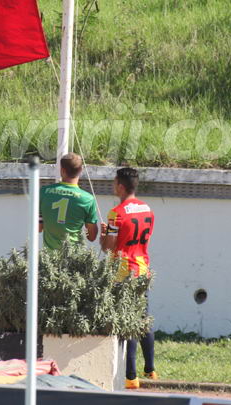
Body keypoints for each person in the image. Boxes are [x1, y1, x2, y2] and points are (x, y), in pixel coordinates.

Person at [99, 167, 157, 389]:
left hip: (123, 272)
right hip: (142, 268)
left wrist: (104, 236)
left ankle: (130, 376)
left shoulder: (117, 213)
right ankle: (150, 369)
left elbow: (108, 248)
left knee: (127, 323)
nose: (113, 186)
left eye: (114, 183)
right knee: (143, 319)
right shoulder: (147, 209)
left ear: (121, 186)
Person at [39, 152, 98, 249]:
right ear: (80, 170)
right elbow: (91, 237)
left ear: (62, 170)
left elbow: (39, 228)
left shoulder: (44, 192)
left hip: (48, 259)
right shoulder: (87, 199)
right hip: (73, 259)